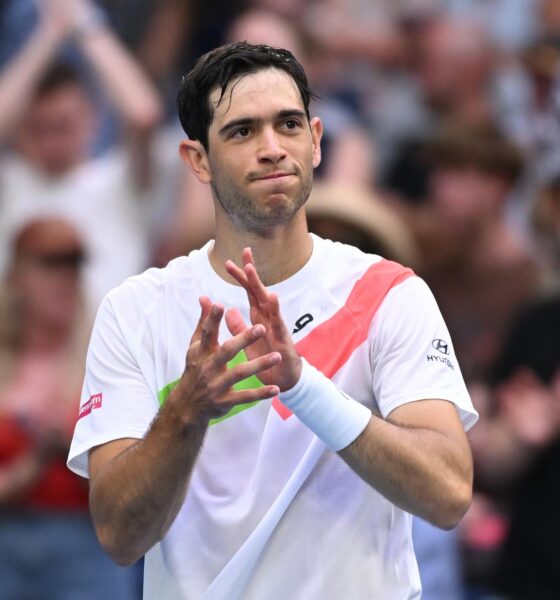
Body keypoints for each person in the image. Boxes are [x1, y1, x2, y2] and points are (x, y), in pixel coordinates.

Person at [68, 42, 478, 599]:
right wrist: (187, 409)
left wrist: (304, 386)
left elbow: (449, 493)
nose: (271, 149)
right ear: (198, 160)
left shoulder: (389, 293)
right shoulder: (135, 309)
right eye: (241, 131)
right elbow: (119, 535)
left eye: (287, 125)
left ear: (314, 141)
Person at [0, 217, 138, 599]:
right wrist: (28, 470)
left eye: (74, 263)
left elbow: (134, 484)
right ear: (17, 275)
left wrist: (69, 450)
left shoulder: (106, 356)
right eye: (50, 263)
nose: (65, 277)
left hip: (86, 539)